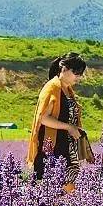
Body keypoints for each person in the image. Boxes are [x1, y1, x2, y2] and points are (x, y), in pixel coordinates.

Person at [26, 52, 87, 192]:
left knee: (69, 189)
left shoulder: (67, 90)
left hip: (66, 146)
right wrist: (69, 127)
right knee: (51, 189)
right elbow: (43, 118)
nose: (79, 77)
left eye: (81, 73)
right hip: (51, 147)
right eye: (76, 72)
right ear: (64, 69)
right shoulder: (52, 87)